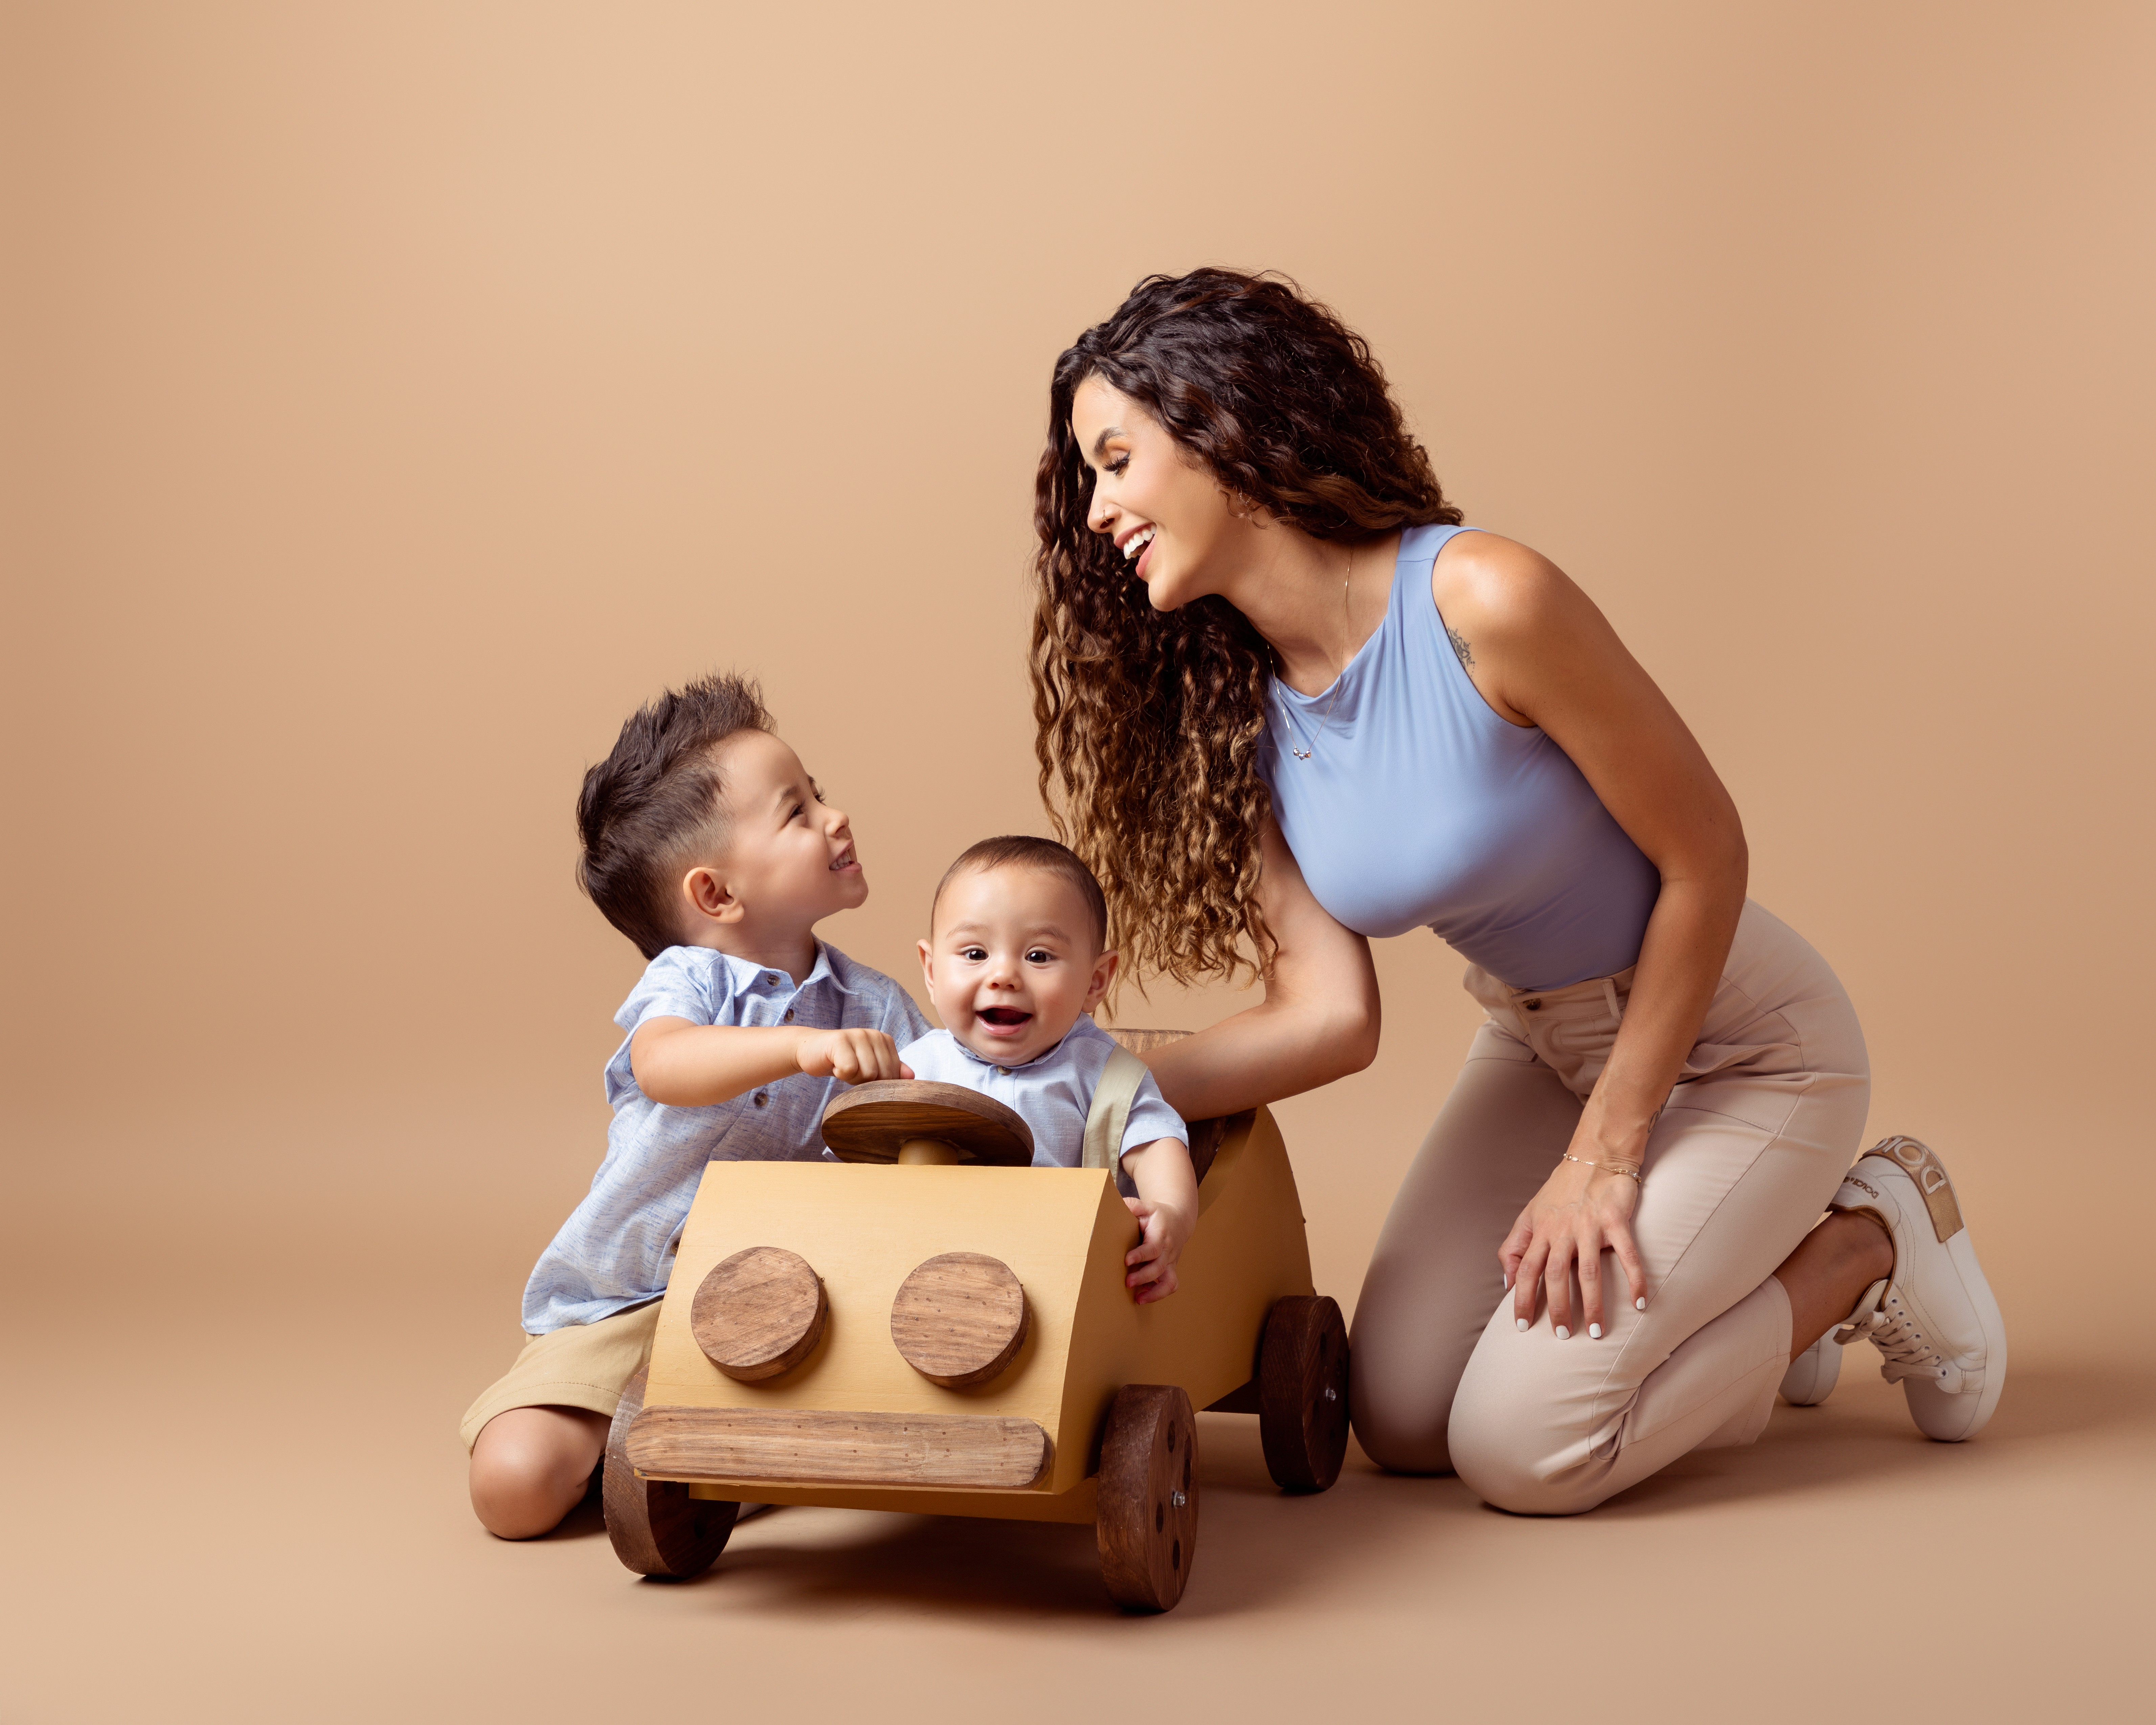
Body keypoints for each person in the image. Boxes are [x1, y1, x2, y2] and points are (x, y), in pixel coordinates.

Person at [1026, 268, 2007, 1514]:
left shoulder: (1482, 598)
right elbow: (1330, 1017)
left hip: (1737, 1042)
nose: (1100, 508)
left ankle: (1868, 1240)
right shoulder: (1236, 720)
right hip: (1541, 1044)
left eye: (1116, 460)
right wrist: (1078, 1084)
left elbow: (1708, 854)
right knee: (1398, 1410)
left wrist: (1605, 1154)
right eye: (1087, 477)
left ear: (1222, 423)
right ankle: (1739, 1271)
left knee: (1522, 1447)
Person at [461, 672, 926, 1538]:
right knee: (513, 1488)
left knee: (897, 1415)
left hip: (792, 1308)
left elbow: (947, 1116)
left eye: (817, 793)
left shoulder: (878, 1006)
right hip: (633, 1297)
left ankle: (714, 1457)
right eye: (798, 811)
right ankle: (672, 1446)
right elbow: (666, 1062)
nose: (836, 816)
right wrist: (801, 1047)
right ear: (716, 896)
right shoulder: (690, 980)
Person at [902, 835, 1197, 1302]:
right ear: (933, 971)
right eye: (975, 954)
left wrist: (1171, 1213)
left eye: (1038, 955)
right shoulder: (915, 1070)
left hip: (1065, 1282)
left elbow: (1155, 1144)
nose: (1003, 975)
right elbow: (856, 1162)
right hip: (927, 1274)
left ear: (1095, 981)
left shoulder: (1106, 1075)